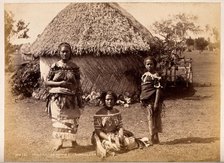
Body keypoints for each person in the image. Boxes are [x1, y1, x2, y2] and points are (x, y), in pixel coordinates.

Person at [45, 42, 83, 151]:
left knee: (73, 120)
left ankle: (73, 141)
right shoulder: (55, 66)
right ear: (59, 53)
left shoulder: (74, 67)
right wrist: (60, 84)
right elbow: (47, 82)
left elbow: (78, 83)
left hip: (71, 98)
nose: (65, 54)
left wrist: (79, 95)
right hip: (57, 99)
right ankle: (59, 142)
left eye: (67, 51)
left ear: (70, 53)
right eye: (63, 52)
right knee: (59, 120)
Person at [92, 91, 149, 158]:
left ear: (114, 100)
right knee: (112, 146)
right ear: (104, 100)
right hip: (104, 136)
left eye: (111, 99)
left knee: (128, 143)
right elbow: (98, 131)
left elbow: (120, 127)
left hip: (115, 134)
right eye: (107, 99)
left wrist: (120, 136)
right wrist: (109, 139)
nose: (109, 101)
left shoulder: (117, 112)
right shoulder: (99, 114)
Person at [140, 56, 163, 145]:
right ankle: (154, 136)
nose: (149, 66)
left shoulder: (156, 76)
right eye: (147, 64)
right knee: (151, 118)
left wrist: (156, 103)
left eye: (151, 64)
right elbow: (144, 88)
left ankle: (152, 136)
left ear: (154, 65)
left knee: (153, 118)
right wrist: (142, 97)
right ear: (145, 65)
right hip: (147, 100)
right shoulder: (145, 75)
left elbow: (158, 89)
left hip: (153, 100)